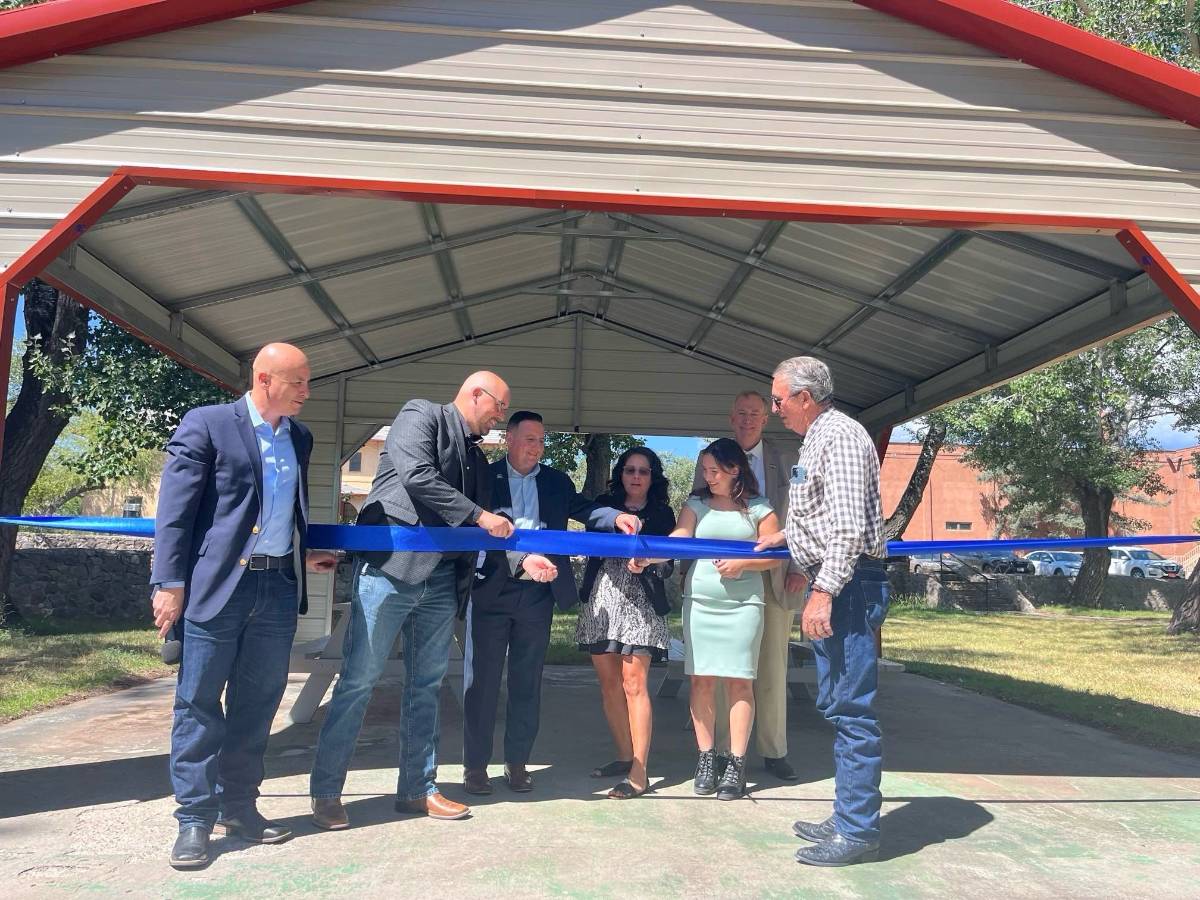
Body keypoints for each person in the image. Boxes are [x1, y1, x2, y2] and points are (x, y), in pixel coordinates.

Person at [150, 342, 337, 870]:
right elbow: (175, 513)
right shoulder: (208, 424)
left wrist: (308, 549)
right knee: (199, 703)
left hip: (276, 588)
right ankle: (194, 819)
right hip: (216, 589)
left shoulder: (299, 436)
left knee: (257, 704)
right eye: (297, 381)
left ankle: (241, 809)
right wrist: (169, 582)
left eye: (306, 381)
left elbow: (286, 508)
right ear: (264, 379)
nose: (306, 391)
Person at [309, 371, 514, 827]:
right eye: (499, 405)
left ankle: (418, 790)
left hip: (442, 581)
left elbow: (490, 518)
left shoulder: (479, 459)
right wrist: (480, 515)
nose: (501, 416)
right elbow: (417, 476)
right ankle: (326, 791)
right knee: (359, 681)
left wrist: (519, 544)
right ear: (476, 395)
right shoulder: (420, 414)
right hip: (389, 571)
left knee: (425, 687)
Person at [462, 411, 641, 796]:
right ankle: (475, 767)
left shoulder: (556, 482)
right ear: (508, 439)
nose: (537, 447)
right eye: (529, 439)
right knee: (483, 683)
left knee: (527, 683)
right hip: (493, 590)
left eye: (541, 440)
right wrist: (519, 560)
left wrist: (617, 517)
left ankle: (517, 763)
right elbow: (476, 530)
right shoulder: (484, 479)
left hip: (538, 595)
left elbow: (585, 509)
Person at [754, 356, 888, 867]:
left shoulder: (843, 437)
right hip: (836, 580)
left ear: (806, 397)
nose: (775, 408)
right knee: (835, 703)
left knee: (853, 709)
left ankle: (858, 832)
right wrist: (784, 536)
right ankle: (848, 812)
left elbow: (850, 528)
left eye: (779, 398)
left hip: (848, 585)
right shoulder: (818, 437)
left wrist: (823, 591)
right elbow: (823, 514)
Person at [640, 438, 781, 800]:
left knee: (739, 683)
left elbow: (777, 556)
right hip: (700, 604)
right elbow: (680, 538)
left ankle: (735, 763)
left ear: (736, 470)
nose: (707, 476)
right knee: (700, 680)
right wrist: (648, 556)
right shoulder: (695, 505)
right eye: (704, 470)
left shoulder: (761, 510)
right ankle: (705, 759)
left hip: (745, 607)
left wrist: (744, 563)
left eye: (713, 470)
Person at [691, 391, 804, 781]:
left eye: (755, 414)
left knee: (770, 669)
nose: (747, 420)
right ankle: (722, 753)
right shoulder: (707, 463)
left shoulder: (788, 460)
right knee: (720, 673)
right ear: (731, 417)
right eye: (741, 413)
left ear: (766, 419)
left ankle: (774, 750)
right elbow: (695, 518)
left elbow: (801, 522)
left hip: (774, 578)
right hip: (717, 586)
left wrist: (800, 568)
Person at [575, 446, 676, 799]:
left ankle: (639, 771)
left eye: (643, 471)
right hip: (601, 600)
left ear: (653, 477)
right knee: (609, 685)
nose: (635, 476)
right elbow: (588, 538)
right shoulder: (603, 505)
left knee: (635, 685)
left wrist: (648, 561)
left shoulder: (663, 514)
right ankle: (622, 755)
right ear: (621, 473)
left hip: (641, 604)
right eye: (630, 470)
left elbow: (669, 562)